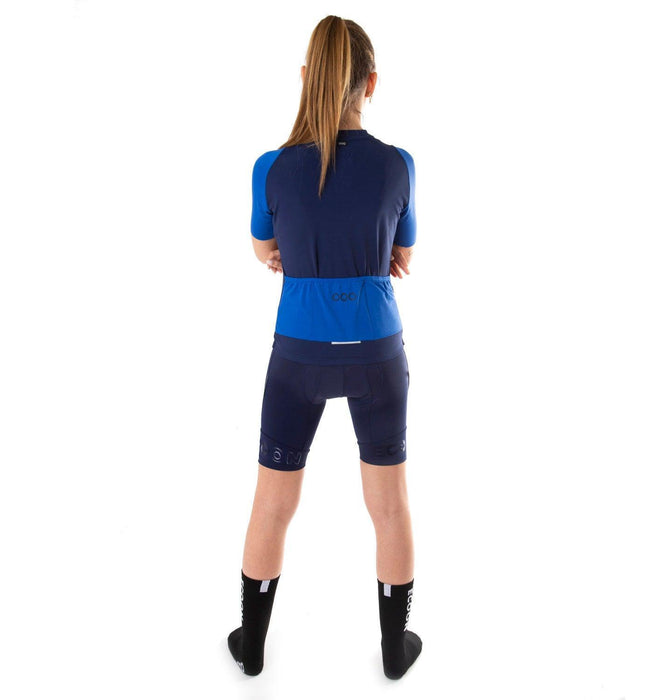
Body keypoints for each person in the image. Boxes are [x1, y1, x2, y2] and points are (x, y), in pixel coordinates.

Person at [227, 15, 422, 680]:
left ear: (308, 77)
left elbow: (265, 249)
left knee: (273, 503)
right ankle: (394, 650)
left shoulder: (272, 168)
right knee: (389, 506)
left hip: (299, 358)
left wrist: (296, 253)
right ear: (371, 83)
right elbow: (404, 254)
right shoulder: (398, 165)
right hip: (377, 355)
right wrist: (368, 256)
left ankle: (252, 647)